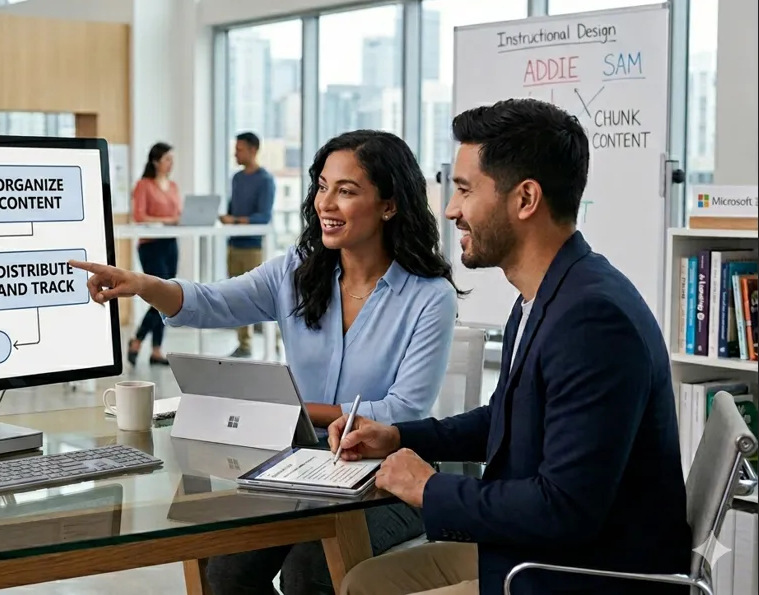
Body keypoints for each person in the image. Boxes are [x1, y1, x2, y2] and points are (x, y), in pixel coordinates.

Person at [71, 130, 462, 595]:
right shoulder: (295, 271)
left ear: (389, 205)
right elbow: (212, 302)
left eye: (346, 190)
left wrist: (288, 406)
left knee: (308, 572)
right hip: (295, 465)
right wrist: (142, 284)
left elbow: (403, 413)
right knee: (227, 568)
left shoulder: (429, 297)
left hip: (390, 476)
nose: (326, 204)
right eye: (321, 187)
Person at [329, 99, 690, 595]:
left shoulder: (593, 320)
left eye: (464, 190)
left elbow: (563, 510)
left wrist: (427, 487)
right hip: (544, 553)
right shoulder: (546, 295)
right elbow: (505, 418)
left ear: (525, 199)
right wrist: (398, 435)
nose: (451, 209)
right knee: (360, 583)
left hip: (579, 573)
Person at [219, 131, 276, 358]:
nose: (235, 153)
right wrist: (229, 219)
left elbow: (263, 216)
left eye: (239, 149)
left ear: (253, 150)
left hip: (254, 246)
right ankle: (245, 344)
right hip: (234, 244)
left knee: (257, 297)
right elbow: (234, 210)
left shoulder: (265, 180)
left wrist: (235, 220)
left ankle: (278, 338)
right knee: (236, 296)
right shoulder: (237, 178)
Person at [128, 142, 182, 367]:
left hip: (170, 244)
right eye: (167, 158)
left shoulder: (173, 186)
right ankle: (137, 340)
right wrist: (169, 221)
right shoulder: (143, 185)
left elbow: (179, 213)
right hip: (151, 245)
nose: (171, 163)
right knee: (160, 298)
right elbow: (139, 216)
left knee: (168, 296)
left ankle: (156, 350)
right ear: (156, 161)